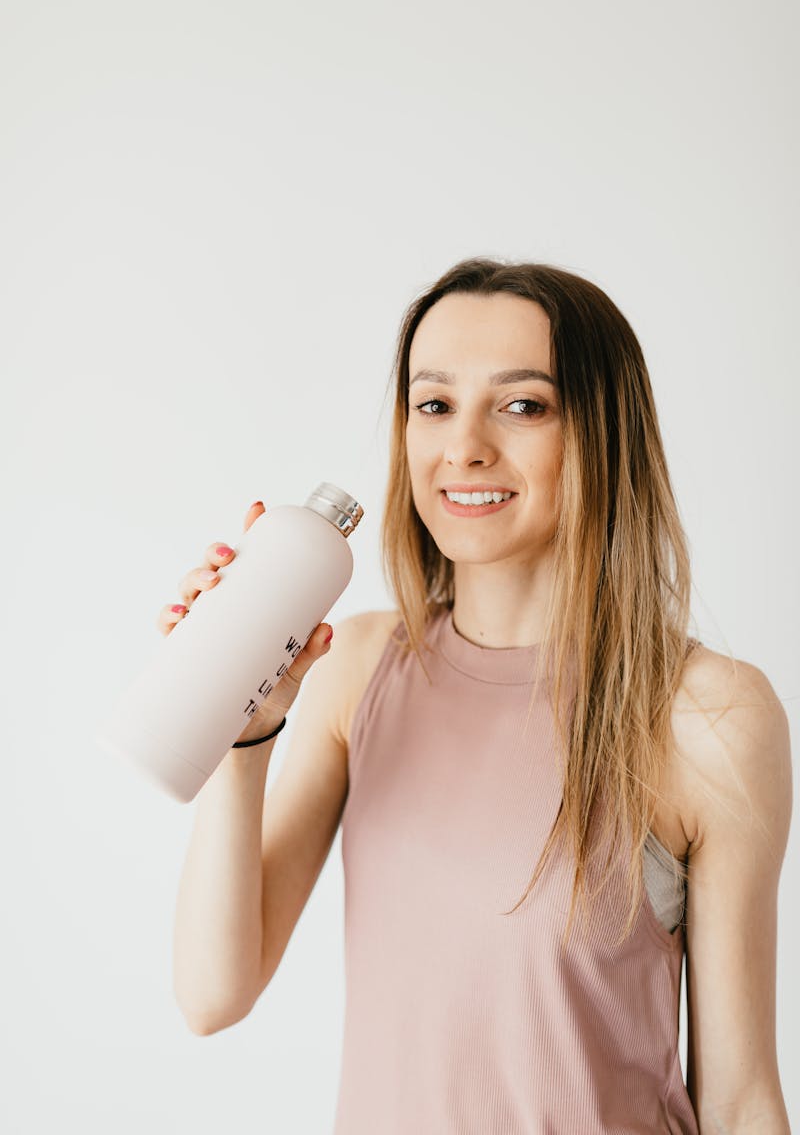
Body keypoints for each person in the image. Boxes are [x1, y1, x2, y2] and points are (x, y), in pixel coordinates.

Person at [169, 258, 792, 1133]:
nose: (463, 446)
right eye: (434, 404)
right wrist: (245, 734)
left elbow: (740, 1101)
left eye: (522, 404)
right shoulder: (359, 670)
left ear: (600, 432)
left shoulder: (708, 715)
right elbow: (210, 995)